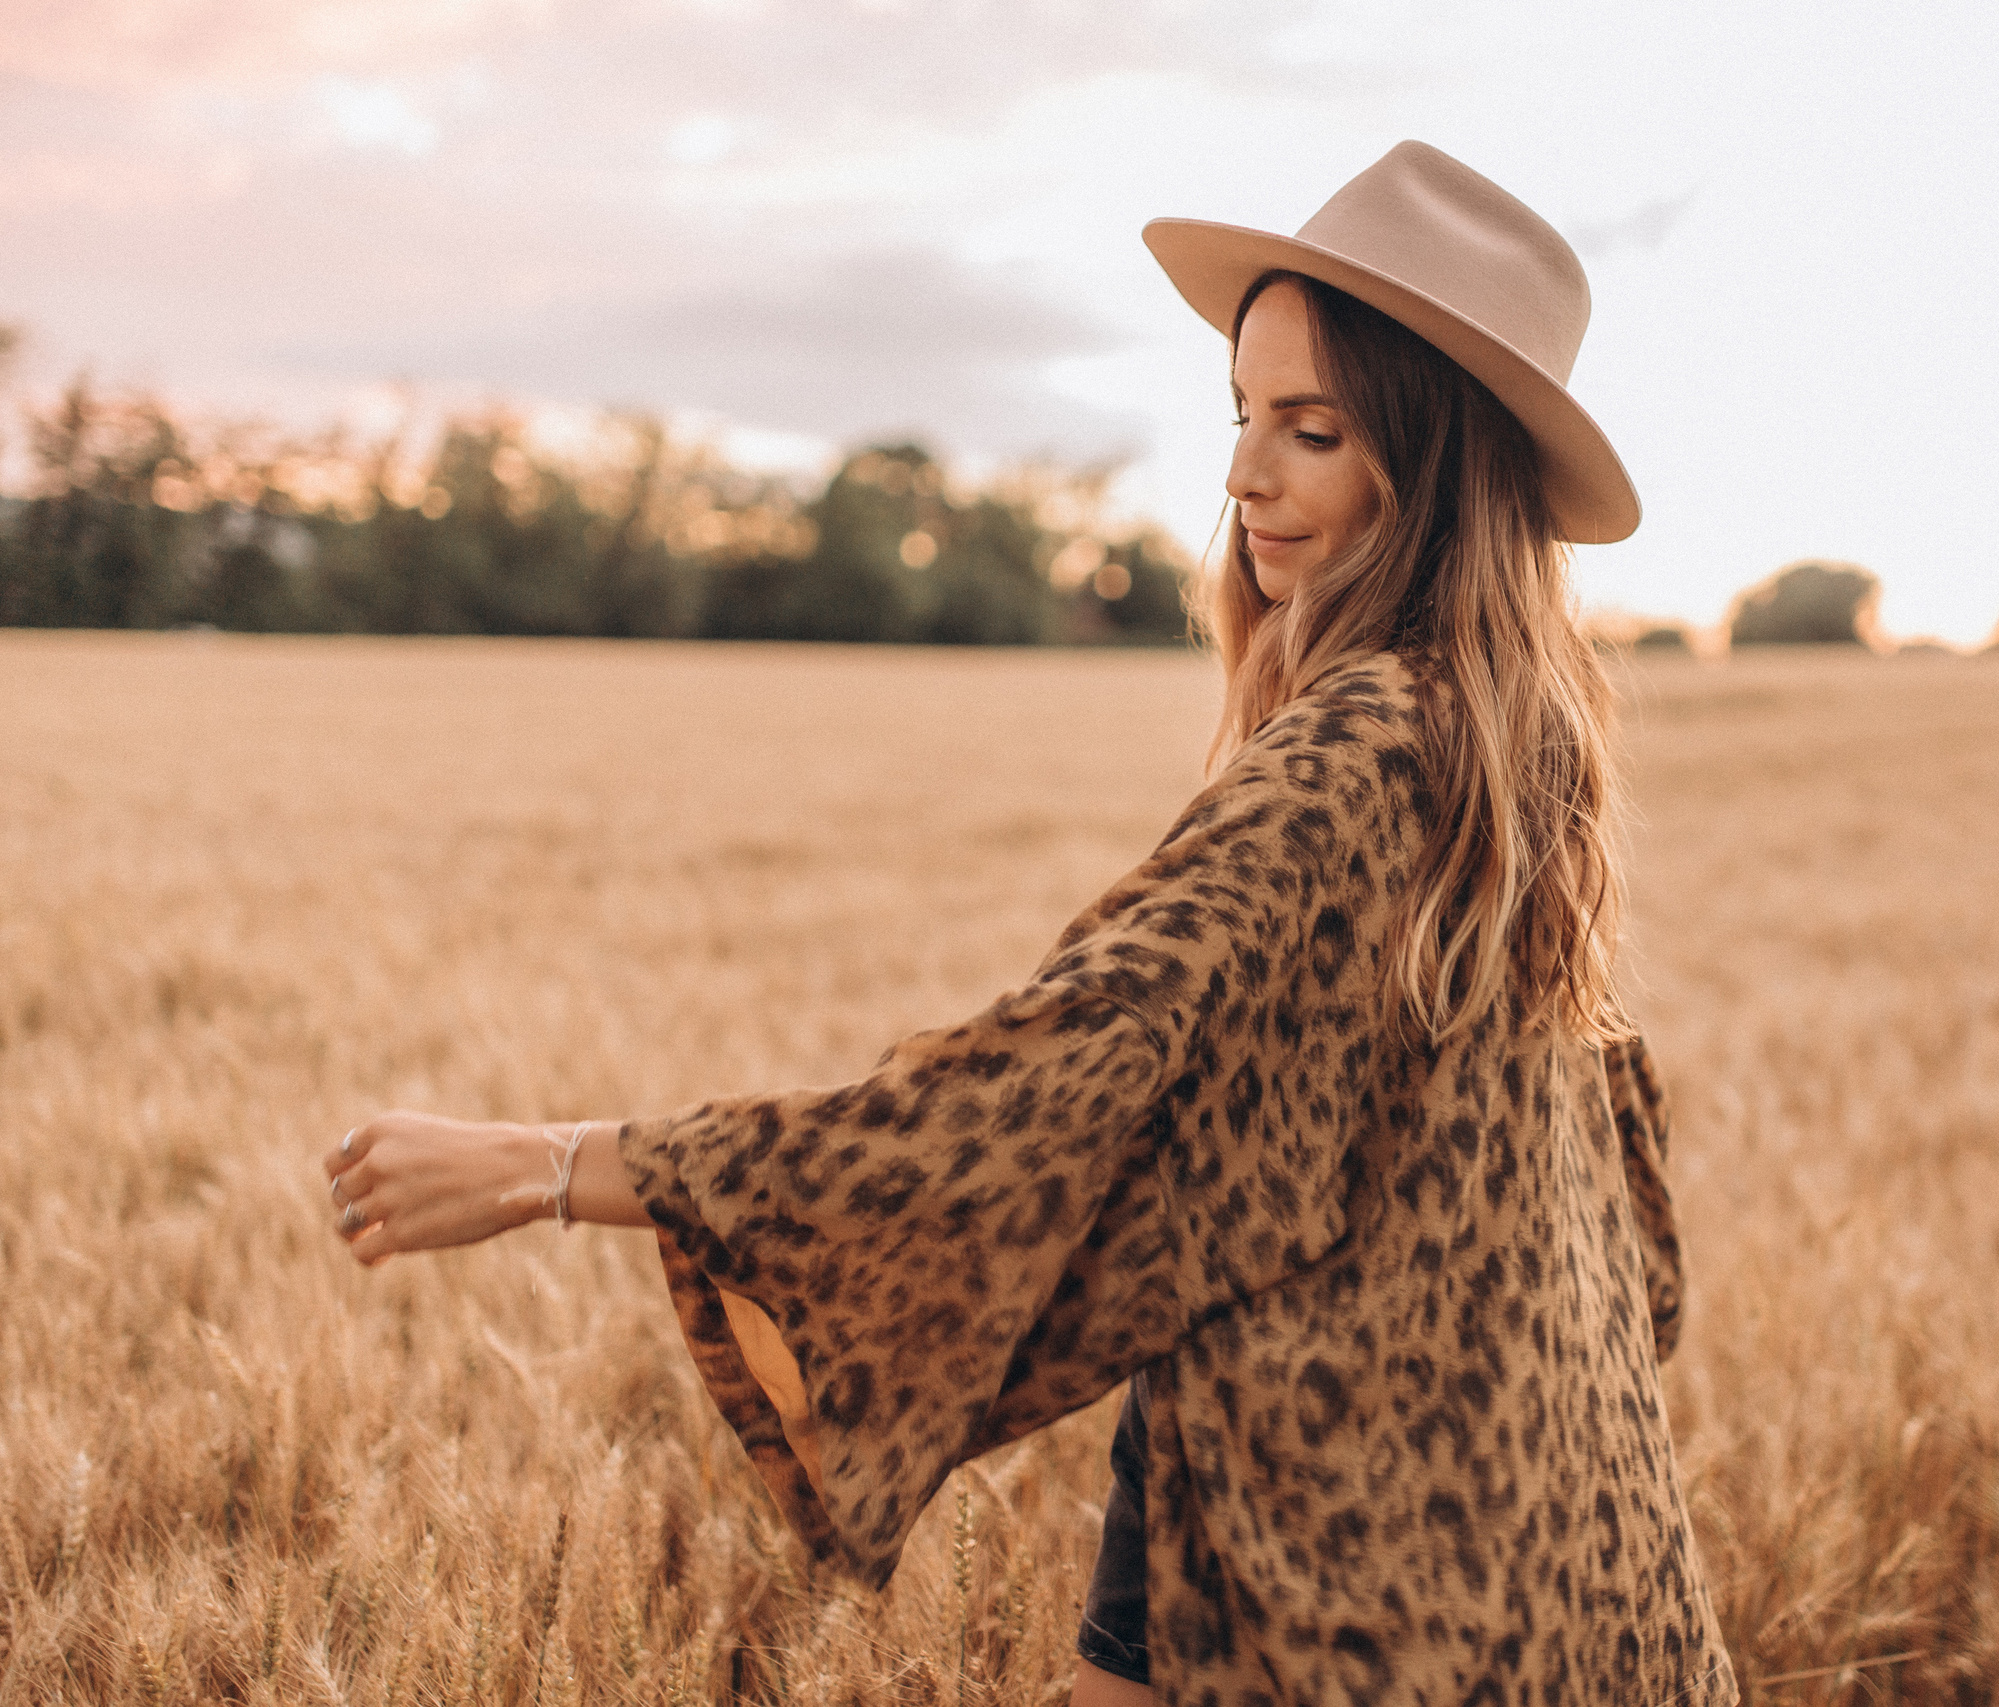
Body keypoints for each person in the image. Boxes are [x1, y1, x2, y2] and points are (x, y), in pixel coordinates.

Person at [324, 141, 1735, 1707]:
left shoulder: (1358, 755)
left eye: (1312, 431)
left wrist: (549, 1165)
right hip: (1564, 1561)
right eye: (1244, 417)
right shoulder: (1526, 757)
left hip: (1332, 1571)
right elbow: (1628, 1222)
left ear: (1439, 467)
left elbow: (1036, 1080)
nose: (1243, 478)